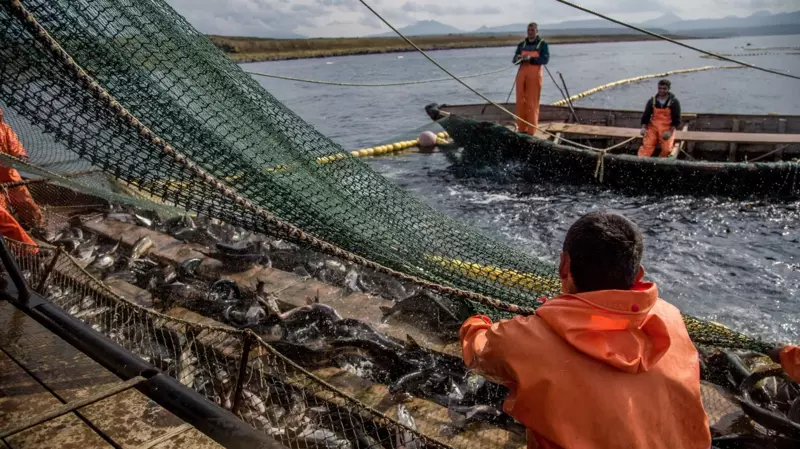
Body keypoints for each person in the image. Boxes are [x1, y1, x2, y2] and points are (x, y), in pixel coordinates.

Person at [460, 211, 711, 449]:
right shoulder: (671, 317)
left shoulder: (526, 339)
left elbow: (478, 352)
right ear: (638, 274)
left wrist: (477, 323)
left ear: (563, 265)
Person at [0, 107, 43, 246]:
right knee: (4, 215)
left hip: (9, 176)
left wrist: (21, 156)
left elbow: (15, 145)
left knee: (26, 202)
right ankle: (17, 247)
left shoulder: (4, 128)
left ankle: (39, 229)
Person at [512, 22, 549, 135]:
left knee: (532, 103)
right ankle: (521, 129)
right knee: (520, 102)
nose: (530, 32)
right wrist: (519, 58)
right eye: (528, 30)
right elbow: (514, 60)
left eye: (532, 30)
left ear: (536, 31)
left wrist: (531, 59)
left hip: (534, 76)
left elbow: (545, 60)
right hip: (521, 75)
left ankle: (531, 131)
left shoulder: (543, 44)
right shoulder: (521, 44)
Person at [638, 79, 681, 157]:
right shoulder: (652, 101)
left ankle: (662, 162)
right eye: (660, 88)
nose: (661, 90)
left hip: (667, 128)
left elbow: (676, 119)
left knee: (667, 149)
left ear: (668, 89)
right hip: (653, 127)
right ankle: (642, 161)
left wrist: (670, 132)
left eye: (664, 89)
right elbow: (646, 116)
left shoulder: (674, 102)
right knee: (648, 145)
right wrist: (643, 128)